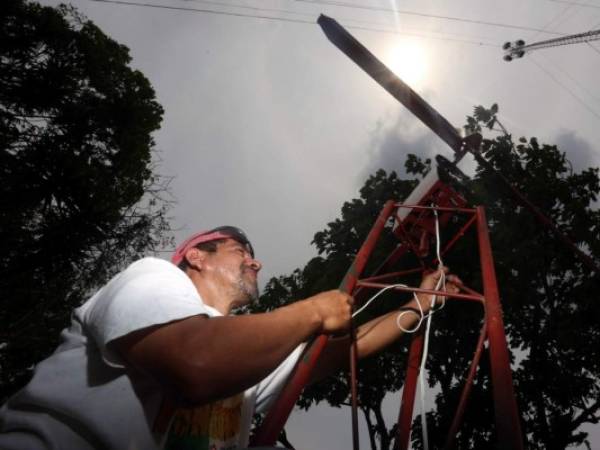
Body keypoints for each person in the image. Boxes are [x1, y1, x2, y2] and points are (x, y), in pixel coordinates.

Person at [0, 226, 460, 450]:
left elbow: (345, 349)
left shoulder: (250, 350)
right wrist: (314, 310)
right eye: (241, 251)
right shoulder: (152, 278)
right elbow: (193, 364)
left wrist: (419, 304)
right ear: (195, 256)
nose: (255, 263)